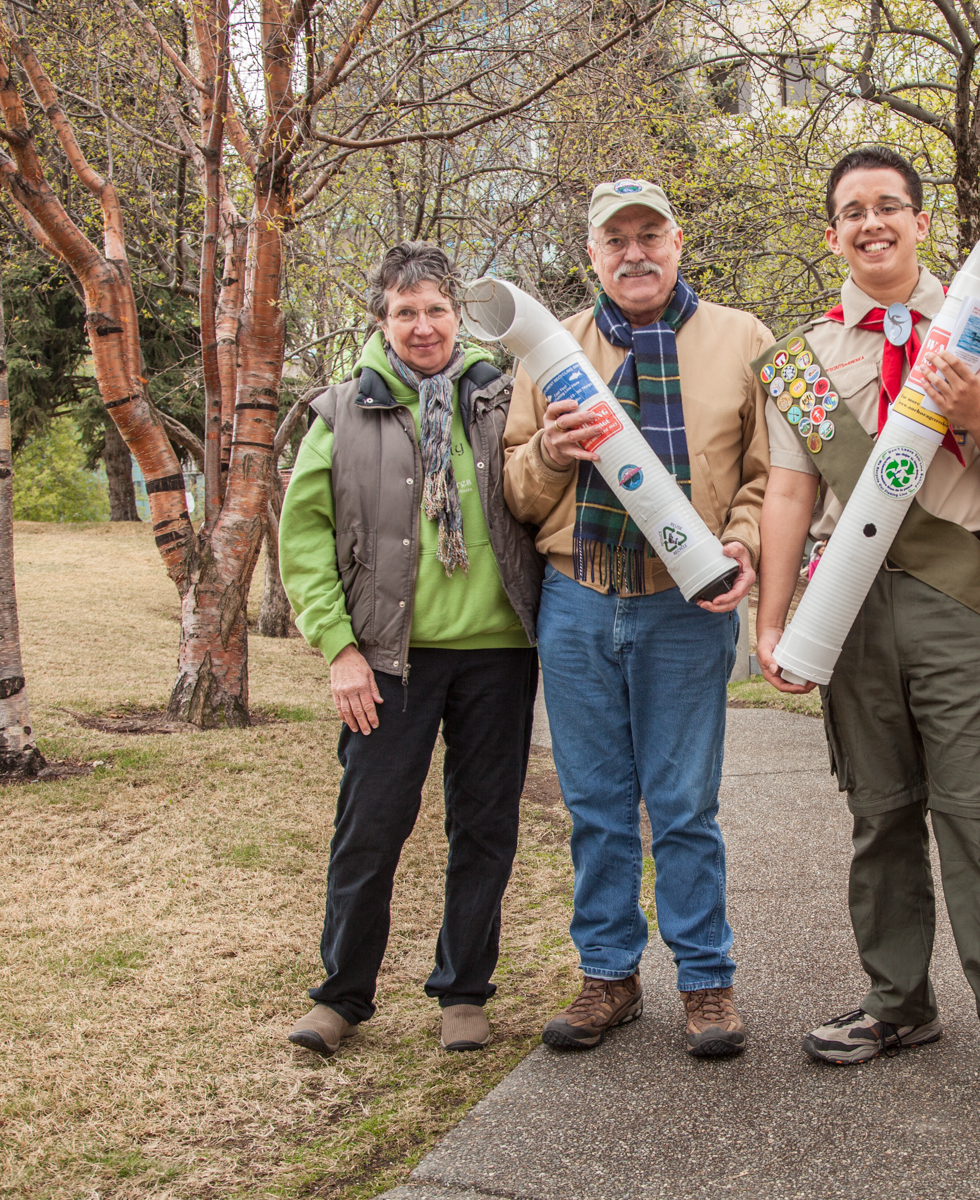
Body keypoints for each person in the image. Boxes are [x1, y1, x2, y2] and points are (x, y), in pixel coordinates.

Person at [756, 146, 980, 1113]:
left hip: (957, 598)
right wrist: (773, 623)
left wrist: (976, 411)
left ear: (922, 221)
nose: (871, 224)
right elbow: (790, 490)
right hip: (848, 611)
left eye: (888, 206)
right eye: (851, 211)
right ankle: (897, 1002)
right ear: (832, 234)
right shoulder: (806, 357)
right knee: (879, 811)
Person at [502, 178, 768, 1058]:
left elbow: (770, 476)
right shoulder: (552, 351)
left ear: (678, 240)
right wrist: (546, 450)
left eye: (649, 234)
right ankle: (608, 976)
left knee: (684, 803)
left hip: (686, 605)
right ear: (593, 254)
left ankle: (706, 983)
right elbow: (511, 484)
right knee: (596, 805)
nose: (634, 253)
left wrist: (740, 542)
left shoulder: (741, 339)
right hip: (577, 598)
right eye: (615, 240)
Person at [279, 241, 542, 1056]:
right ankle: (341, 996)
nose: (422, 325)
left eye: (436, 309)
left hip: (499, 655)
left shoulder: (502, 397)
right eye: (405, 312)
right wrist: (339, 650)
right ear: (382, 320)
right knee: (371, 825)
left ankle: (464, 991)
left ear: (458, 315)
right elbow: (305, 542)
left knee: (485, 825)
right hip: (388, 659)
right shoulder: (340, 411)